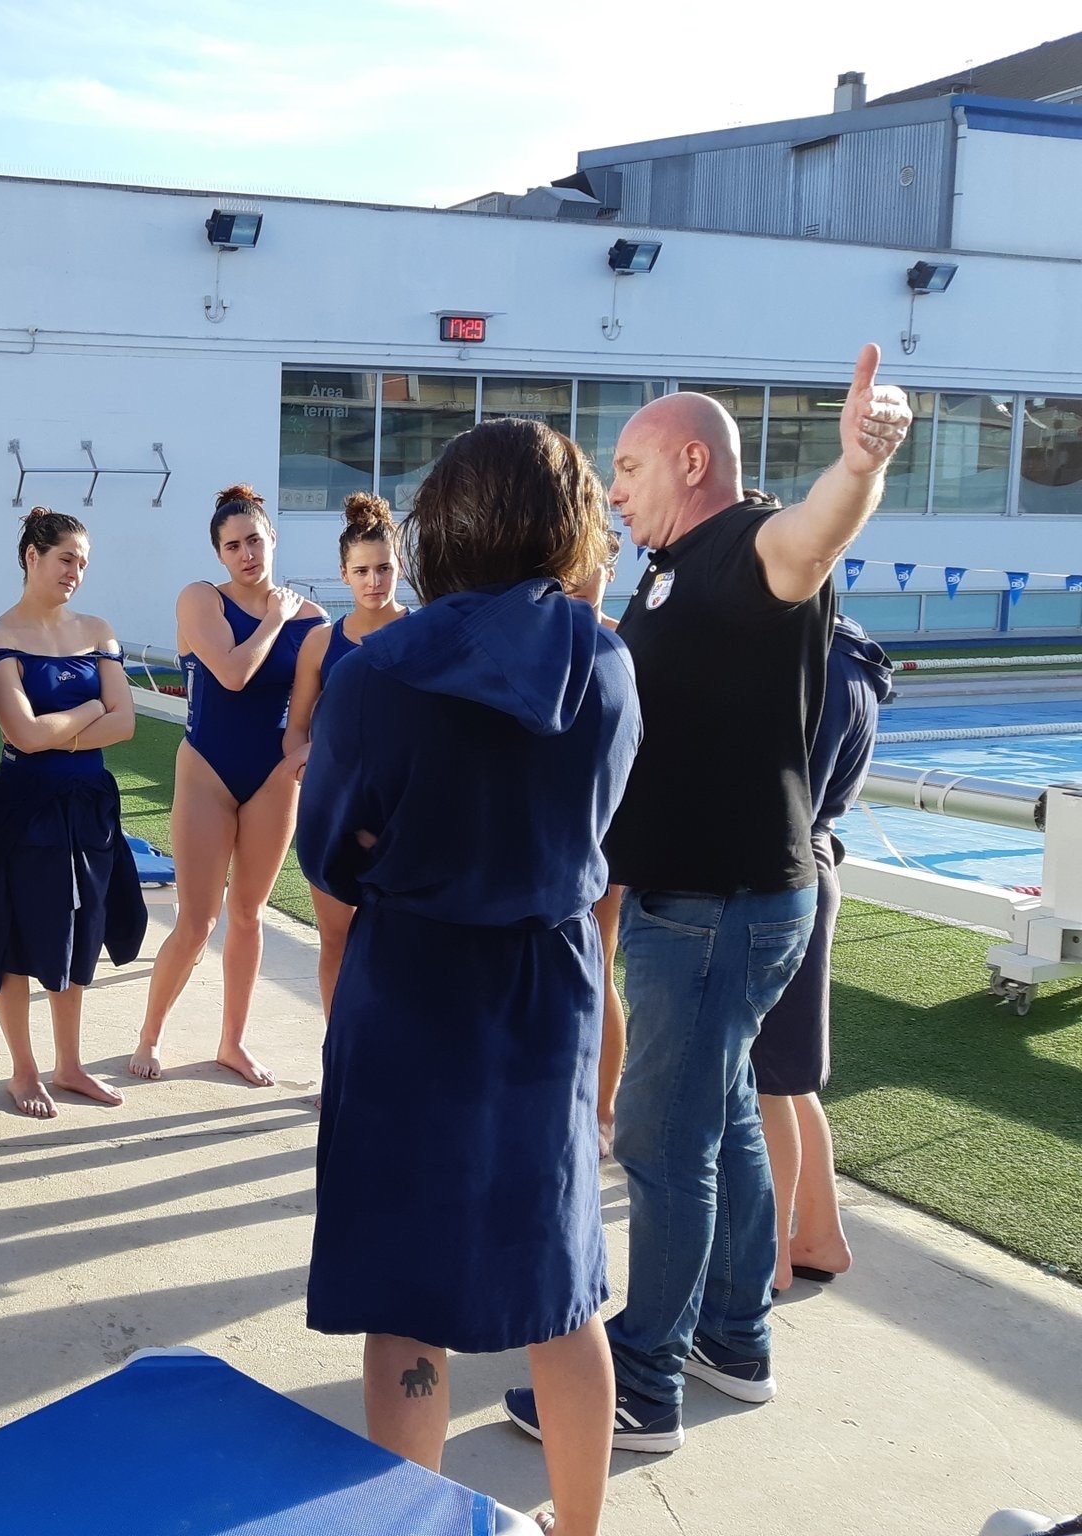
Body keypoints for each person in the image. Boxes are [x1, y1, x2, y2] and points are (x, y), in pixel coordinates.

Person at [505, 346, 913, 1454]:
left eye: (628, 467)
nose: (614, 487)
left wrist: (859, 466)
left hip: (715, 909)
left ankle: (640, 1383)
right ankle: (733, 1339)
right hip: (709, 904)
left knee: (662, 1139)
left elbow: (810, 539)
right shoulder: (666, 562)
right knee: (721, 1116)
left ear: (691, 461)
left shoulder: (741, 544)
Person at [301, 419, 638, 1536]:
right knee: (561, 1284)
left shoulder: (376, 673)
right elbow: (600, 831)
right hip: (544, 991)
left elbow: (328, 848)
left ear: (440, 524)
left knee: (405, 1298)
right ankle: (579, 1526)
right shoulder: (603, 662)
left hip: (409, 993)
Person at [129, 484, 326, 1086]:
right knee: (196, 920)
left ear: (272, 539)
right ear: (219, 554)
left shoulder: (314, 618)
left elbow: (320, 700)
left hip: (272, 776)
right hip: (207, 769)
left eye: (255, 541)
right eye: (233, 545)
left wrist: (314, 747)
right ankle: (149, 1034)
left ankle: (232, 1043)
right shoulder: (200, 599)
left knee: (248, 914)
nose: (247, 554)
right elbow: (235, 675)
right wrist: (273, 617)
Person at [0, 508, 146, 1118]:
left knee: (79, 934)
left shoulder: (97, 629)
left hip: (88, 807)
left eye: (83, 563)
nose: (75, 572)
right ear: (32, 557)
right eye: (65, 558)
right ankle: (24, 1071)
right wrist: (91, 707)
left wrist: (59, 731)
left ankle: (69, 1066)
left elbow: (126, 724)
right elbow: (21, 731)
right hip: (23, 810)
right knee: (16, 937)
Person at [757, 613, 892, 1291]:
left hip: (785, 870)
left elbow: (779, 787)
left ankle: (770, 1256)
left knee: (765, 1083)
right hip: (816, 857)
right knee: (789, 1076)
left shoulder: (818, 660)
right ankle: (819, 1236)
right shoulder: (851, 651)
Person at [282, 491, 408, 1017]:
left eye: (383, 569)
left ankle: (392, 1071)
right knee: (335, 942)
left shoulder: (423, 635)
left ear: (399, 567)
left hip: (402, 814)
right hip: (333, 811)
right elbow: (295, 732)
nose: (374, 582)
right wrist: (311, 767)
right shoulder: (320, 642)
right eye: (362, 571)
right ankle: (337, 1066)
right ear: (343, 574)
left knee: (397, 951)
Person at [569, 530, 627, 1157]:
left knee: (599, 966)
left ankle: (603, 1109)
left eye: (593, 569)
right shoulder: (548, 638)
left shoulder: (624, 641)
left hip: (608, 832)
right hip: (557, 827)